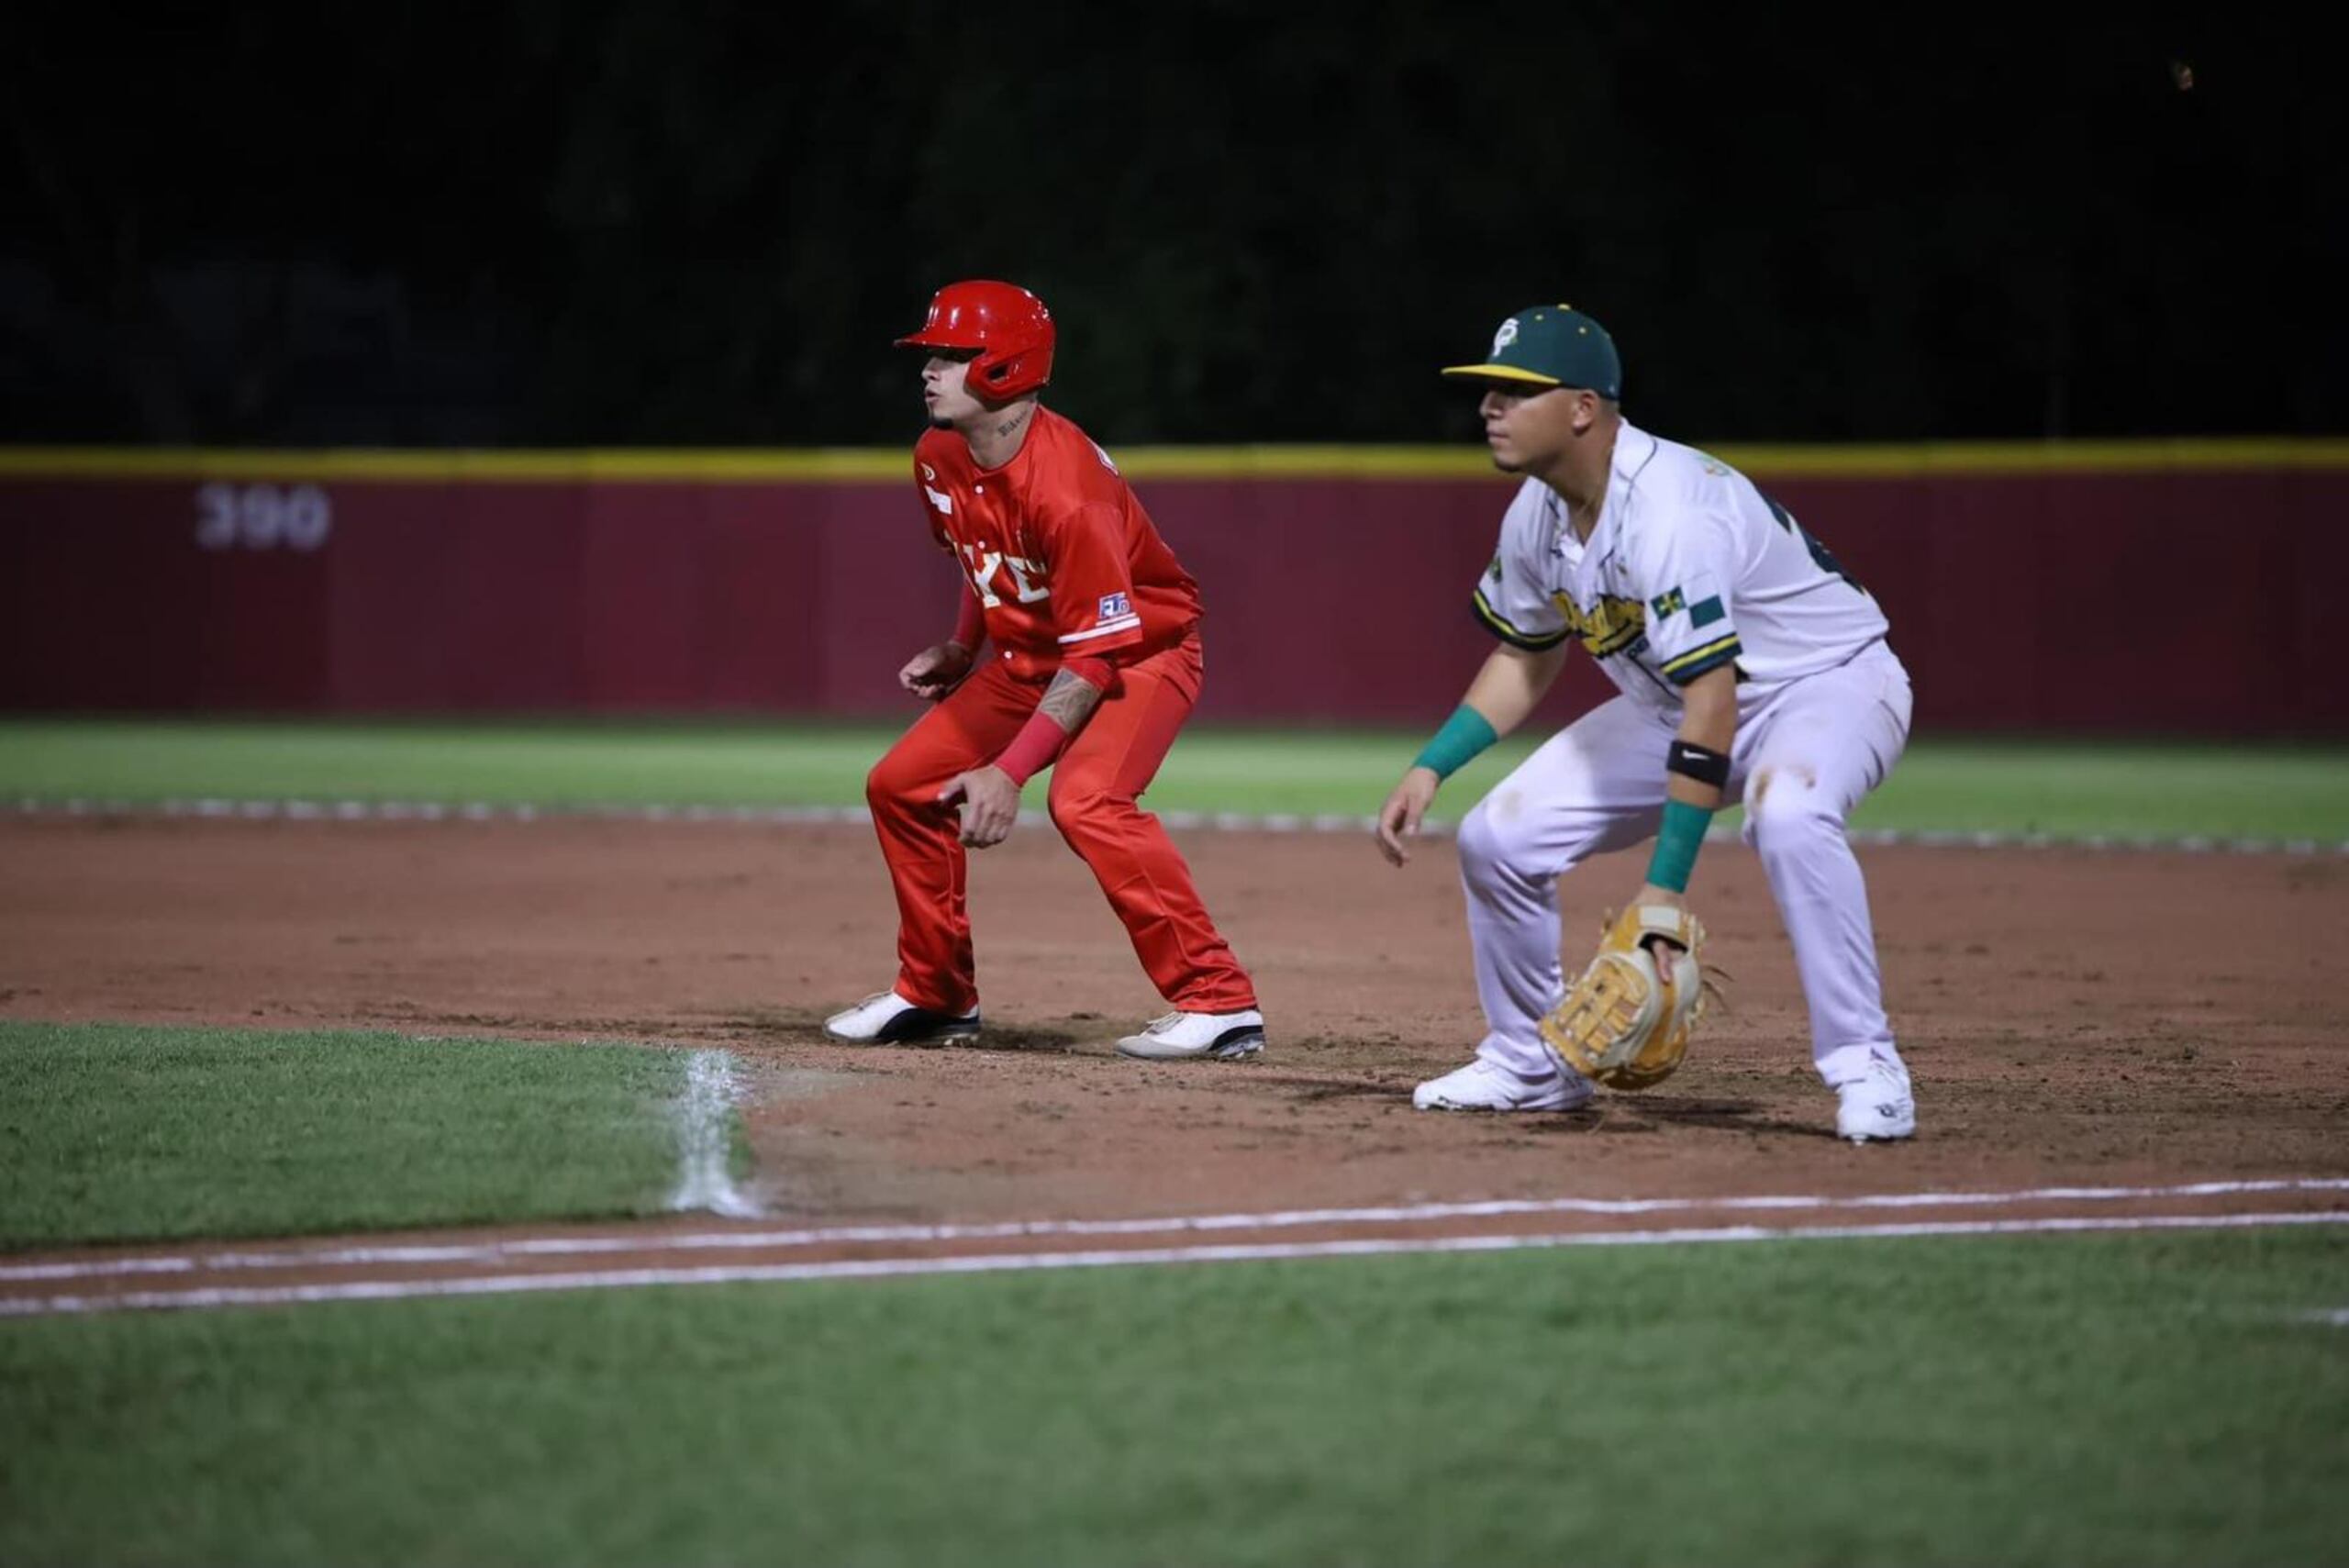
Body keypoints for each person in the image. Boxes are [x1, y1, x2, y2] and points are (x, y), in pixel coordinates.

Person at [1375, 304, 1917, 1141]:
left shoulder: (1669, 510)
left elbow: (1715, 698)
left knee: (1788, 812)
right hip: (1680, 701)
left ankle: (1866, 1063)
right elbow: (1527, 655)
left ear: (1584, 408)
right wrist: (1433, 765)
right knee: (1497, 840)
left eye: (1516, 392)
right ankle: (1530, 1064)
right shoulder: (1535, 512)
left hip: (1827, 685)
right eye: (1489, 391)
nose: (1490, 406)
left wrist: (1662, 893)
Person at [825, 279, 1266, 1061]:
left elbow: (1097, 654)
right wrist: (965, 646)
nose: (928, 369)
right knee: (900, 784)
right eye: (929, 354)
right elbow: (980, 553)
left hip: (1140, 651)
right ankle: (936, 993)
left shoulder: (1069, 491)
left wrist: (1011, 770)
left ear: (1003, 367)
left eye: (951, 355)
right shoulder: (938, 454)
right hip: (1036, 656)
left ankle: (1217, 998)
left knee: (1088, 799)